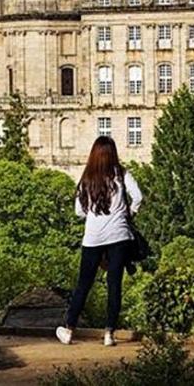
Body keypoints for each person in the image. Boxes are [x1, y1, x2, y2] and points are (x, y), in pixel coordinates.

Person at [56, 135, 142, 347]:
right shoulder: (121, 174)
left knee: (83, 285)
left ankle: (68, 329)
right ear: (113, 154)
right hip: (119, 236)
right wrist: (127, 213)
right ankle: (109, 333)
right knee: (114, 286)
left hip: (93, 237)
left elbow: (78, 211)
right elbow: (138, 196)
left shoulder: (87, 177)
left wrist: (94, 216)